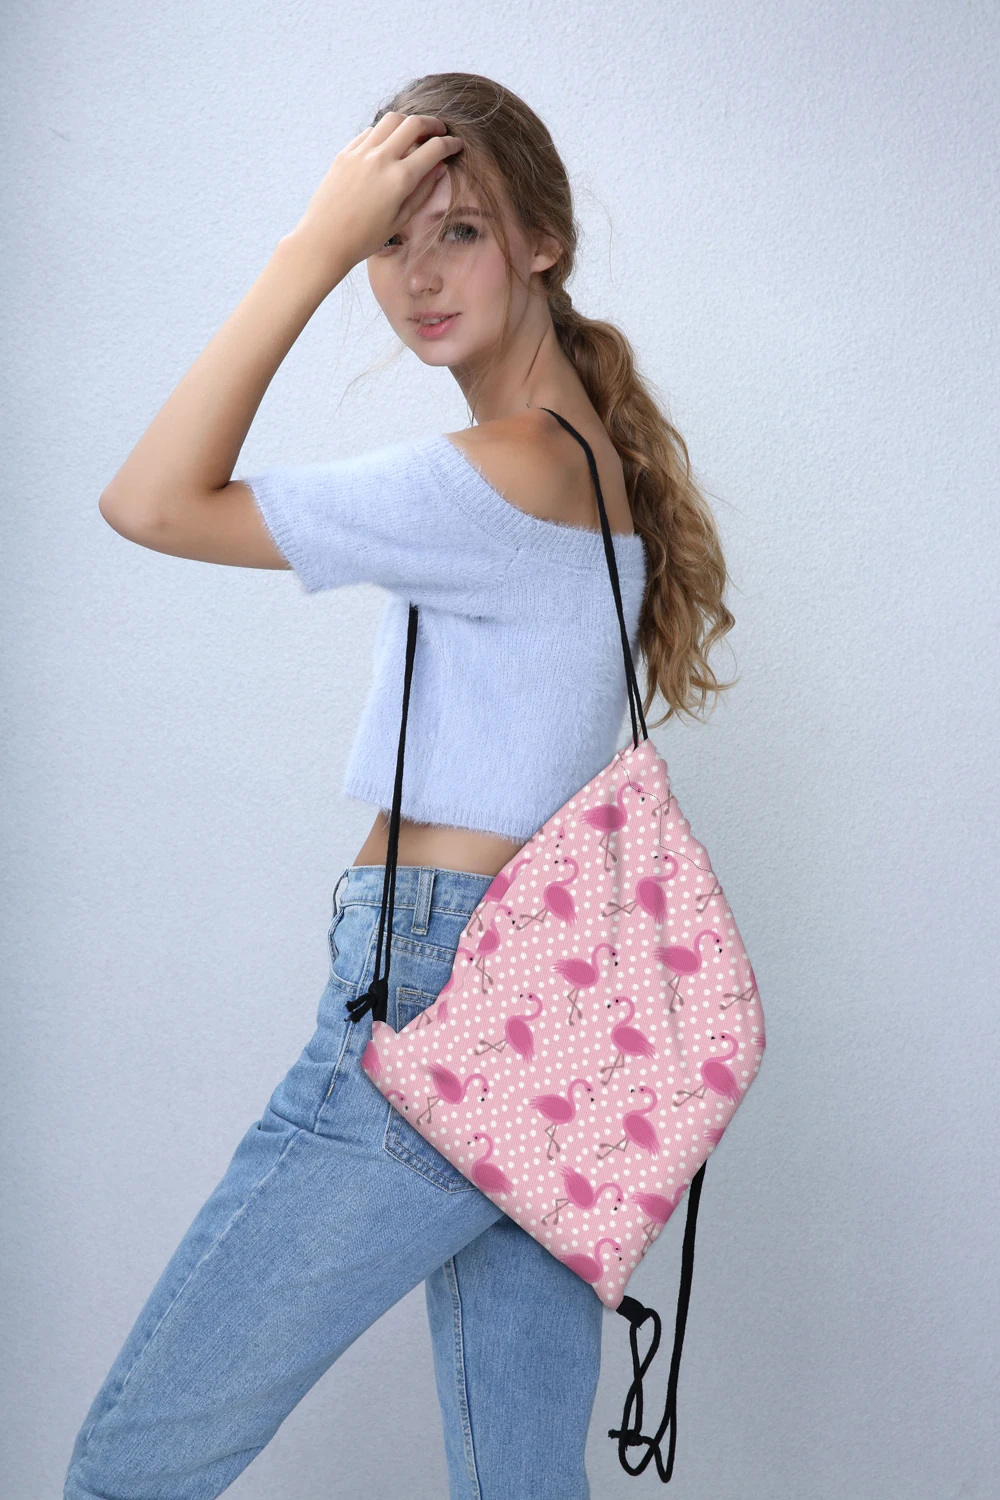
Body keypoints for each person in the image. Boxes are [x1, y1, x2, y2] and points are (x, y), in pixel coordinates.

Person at [64, 72, 736, 1500]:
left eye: (459, 233)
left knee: (130, 1467)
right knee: (520, 1484)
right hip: (553, 1016)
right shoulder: (586, 463)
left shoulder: (500, 473)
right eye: (387, 242)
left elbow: (150, 500)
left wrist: (308, 248)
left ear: (543, 240)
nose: (417, 278)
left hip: (440, 993)